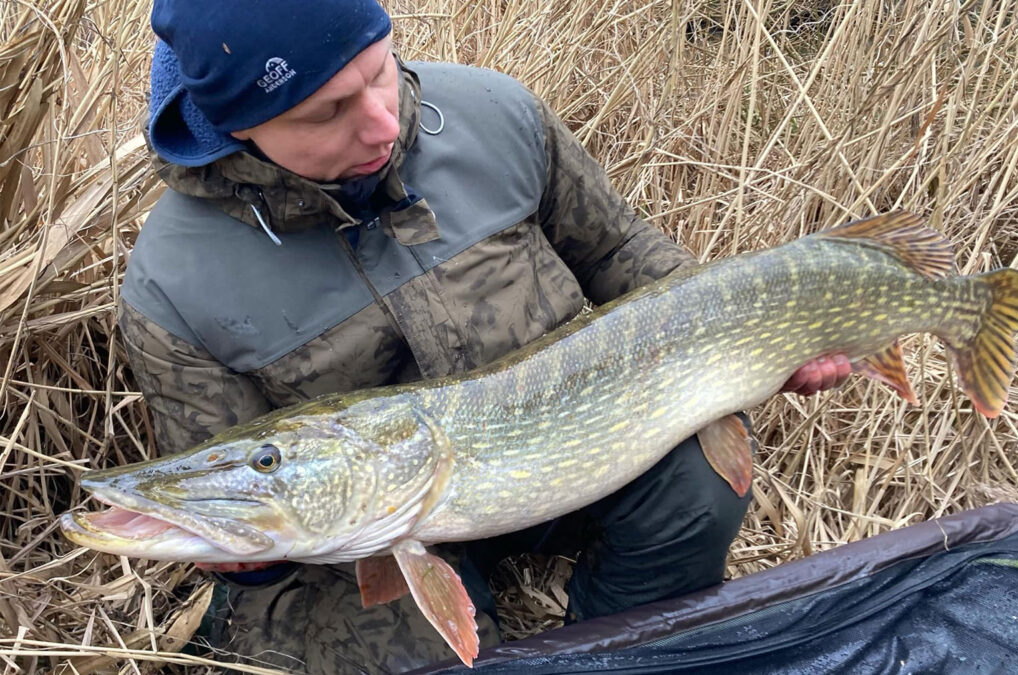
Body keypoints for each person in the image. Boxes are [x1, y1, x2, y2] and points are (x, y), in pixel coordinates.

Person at [122, 0, 852, 672]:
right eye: (327, 112)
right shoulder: (175, 286)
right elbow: (241, 468)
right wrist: (241, 557)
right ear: (240, 125)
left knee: (697, 489)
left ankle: (612, 652)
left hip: (566, 442)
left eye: (379, 72)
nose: (381, 122)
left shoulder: (491, 112)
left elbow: (619, 253)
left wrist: (744, 333)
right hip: (374, 517)